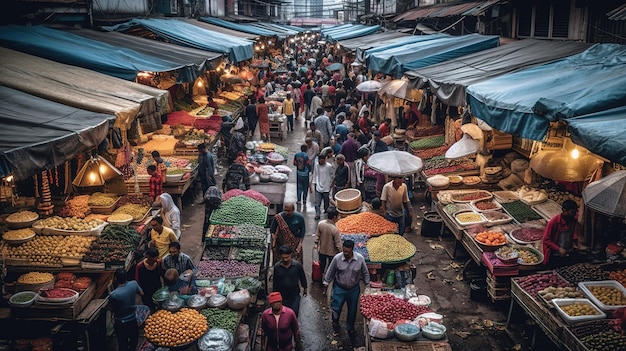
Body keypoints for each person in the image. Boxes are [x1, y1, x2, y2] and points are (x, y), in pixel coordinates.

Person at [323, 240, 370, 336]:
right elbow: (330, 271)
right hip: (339, 287)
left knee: (352, 310)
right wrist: (326, 283)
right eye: (344, 251)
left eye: (348, 252)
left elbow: (365, 272)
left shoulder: (360, 259)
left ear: (352, 250)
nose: (345, 254)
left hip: (354, 289)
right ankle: (335, 322)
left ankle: (350, 327)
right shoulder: (337, 258)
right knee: (336, 307)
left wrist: (368, 285)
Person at [109, 269, 143, 351]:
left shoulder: (114, 294)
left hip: (121, 324)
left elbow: (111, 308)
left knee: (122, 344)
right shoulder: (134, 284)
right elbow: (142, 293)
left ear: (116, 279)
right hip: (133, 321)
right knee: (133, 343)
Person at [543, 199, 581, 267]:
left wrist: (575, 243)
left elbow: (574, 233)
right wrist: (558, 249)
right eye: (572, 212)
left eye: (575, 212)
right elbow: (546, 240)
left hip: (568, 252)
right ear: (564, 210)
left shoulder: (573, 220)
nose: (574, 214)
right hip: (555, 255)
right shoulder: (553, 222)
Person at [272, 246, 308, 317]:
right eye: (283, 258)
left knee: (294, 313)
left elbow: (302, 277)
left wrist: (305, 288)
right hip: (282, 296)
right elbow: (275, 281)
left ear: (291, 255)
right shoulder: (277, 267)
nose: (285, 260)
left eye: (287, 257)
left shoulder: (297, 266)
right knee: (283, 315)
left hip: (294, 295)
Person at [314, 208, 341, 275]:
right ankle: (328, 278)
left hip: (322, 250)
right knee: (330, 266)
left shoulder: (321, 224)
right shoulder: (334, 229)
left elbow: (317, 235)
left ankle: (320, 275)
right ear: (334, 217)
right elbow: (338, 244)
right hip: (332, 252)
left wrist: (316, 244)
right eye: (338, 216)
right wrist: (341, 251)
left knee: (322, 265)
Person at [311, 153, 334, 220]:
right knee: (317, 202)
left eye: (322, 160)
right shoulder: (317, 166)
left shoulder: (329, 166)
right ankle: (318, 214)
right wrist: (313, 184)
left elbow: (332, 175)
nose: (321, 161)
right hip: (318, 186)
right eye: (320, 160)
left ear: (325, 160)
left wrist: (331, 184)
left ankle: (326, 213)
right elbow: (315, 174)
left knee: (326, 202)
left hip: (326, 186)